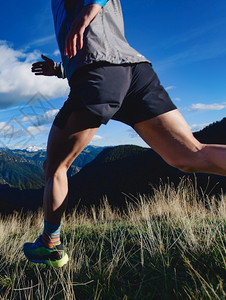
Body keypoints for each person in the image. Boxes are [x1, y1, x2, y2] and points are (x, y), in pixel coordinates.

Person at [23, 0, 226, 268]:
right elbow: (95, 42)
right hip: (136, 72)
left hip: (99, 73)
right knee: (190, 154)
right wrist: (60, 70)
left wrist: (87, 12)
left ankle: (50, 245)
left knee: (55, 166)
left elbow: (93, 41)